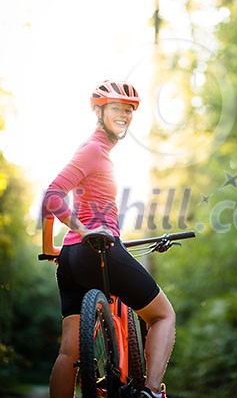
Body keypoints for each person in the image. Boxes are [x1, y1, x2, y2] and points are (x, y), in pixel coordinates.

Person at [41, 79, 174, 398]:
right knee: (163, 315)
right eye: (117, 108)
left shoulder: (96, 152)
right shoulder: (93, 149)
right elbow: (52, 194)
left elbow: (52, 200)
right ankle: (152, 392)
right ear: (98, 112)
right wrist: (87, 231)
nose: (125, 115)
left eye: (129, 111)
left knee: (68, 353)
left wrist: (50, 248)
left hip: (71, 260)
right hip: (97, 250)